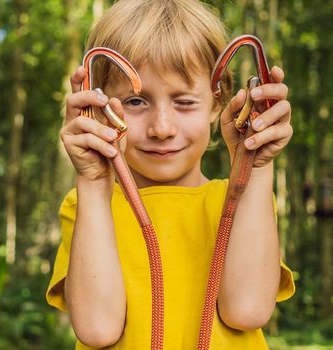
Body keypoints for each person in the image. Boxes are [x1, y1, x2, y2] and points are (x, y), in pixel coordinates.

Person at [47, 0, 296, 348]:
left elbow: (248, 310)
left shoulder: (242, 200)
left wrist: (255, 167)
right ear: (98, 107)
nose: (161, 128)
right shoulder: (88, 205)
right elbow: (97, 329)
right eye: (135, 102)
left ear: (217, 102)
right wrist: (93, 181)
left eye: (184, 102)